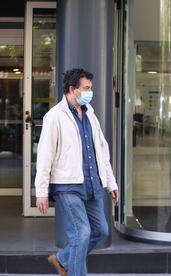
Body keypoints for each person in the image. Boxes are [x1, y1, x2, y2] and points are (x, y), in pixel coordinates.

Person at [35, 68, 119, 276]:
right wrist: (41, 191)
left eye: (91, 87)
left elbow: (102, 150)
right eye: (87, 88)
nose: (91, 92)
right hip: (67, 185)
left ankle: (62, 259)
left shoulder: (90, 113)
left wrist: (111, 183)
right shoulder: (54, 116)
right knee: (81, 234)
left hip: (91, 183)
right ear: (73, 89)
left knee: (101, 230)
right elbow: (45, 156)